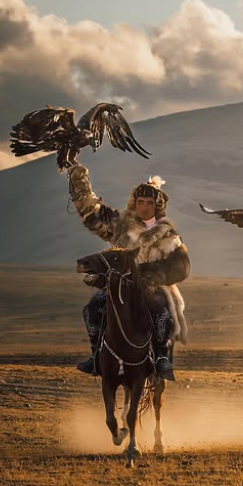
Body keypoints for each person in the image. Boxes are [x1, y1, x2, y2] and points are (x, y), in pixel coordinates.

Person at [67, 162, 190, 380]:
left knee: (163, 314)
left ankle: (161, 358)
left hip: (152, 287)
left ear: (157, 206)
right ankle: (96, 355)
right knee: (92, 311)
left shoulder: (168, 235)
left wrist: (152, 273)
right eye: (140, 202)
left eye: (149, 203)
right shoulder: (120, 224)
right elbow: (91, 213)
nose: (144, 207)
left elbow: (182, 267)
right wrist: (78, 180)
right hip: (119, 285)